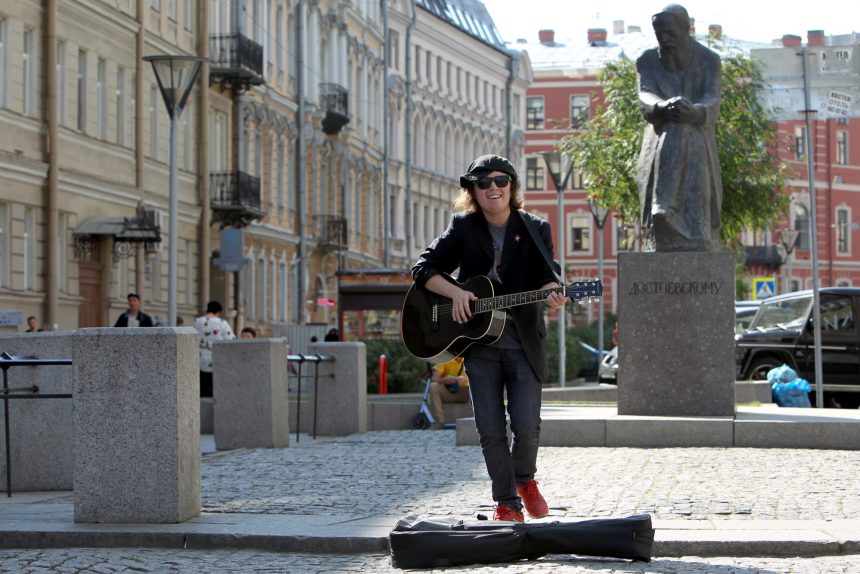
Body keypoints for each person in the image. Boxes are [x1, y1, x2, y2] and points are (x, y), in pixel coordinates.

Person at [411, 153, 567, 522]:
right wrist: (456, 294)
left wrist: (553, 291)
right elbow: (423, 268)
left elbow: (549, 274)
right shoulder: (464, 227)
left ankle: (524, 480)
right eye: (484, 183)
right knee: (490, 429)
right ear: (474, 191)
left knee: (527, 426)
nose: (493, 188)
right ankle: (507, 503)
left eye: (501, 181)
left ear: (512, 187)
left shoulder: (534, 227)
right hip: (479, 344)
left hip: (524, 342)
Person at [636, 4, 723, 252]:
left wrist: (696, 111)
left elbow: (711, 100)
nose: (665, 39)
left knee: (688, 131)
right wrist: (663, 107)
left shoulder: (709, 60)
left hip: (698, 135)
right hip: (658, 139)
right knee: (678, 127)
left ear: (687, 29)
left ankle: (664, 206)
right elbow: (645, 96)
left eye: (670, 33)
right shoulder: (647, 60)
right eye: (659, 34)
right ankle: (692, 225)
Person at [193, 301, 235, 397]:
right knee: (214, 390)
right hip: (215, 360)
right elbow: (230, 339)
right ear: (218, 312)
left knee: (201, 389)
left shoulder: (197, 321)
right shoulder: (222, 323)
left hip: (199, 360)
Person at [428, 357, 469, 430]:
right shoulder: (444, 359)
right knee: (433, 386)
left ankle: (477, 421)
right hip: (447, 393)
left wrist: (464, 380)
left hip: (465, 393)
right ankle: (439, 422)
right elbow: (434, 378)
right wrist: (445, 379)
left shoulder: (469, 359)